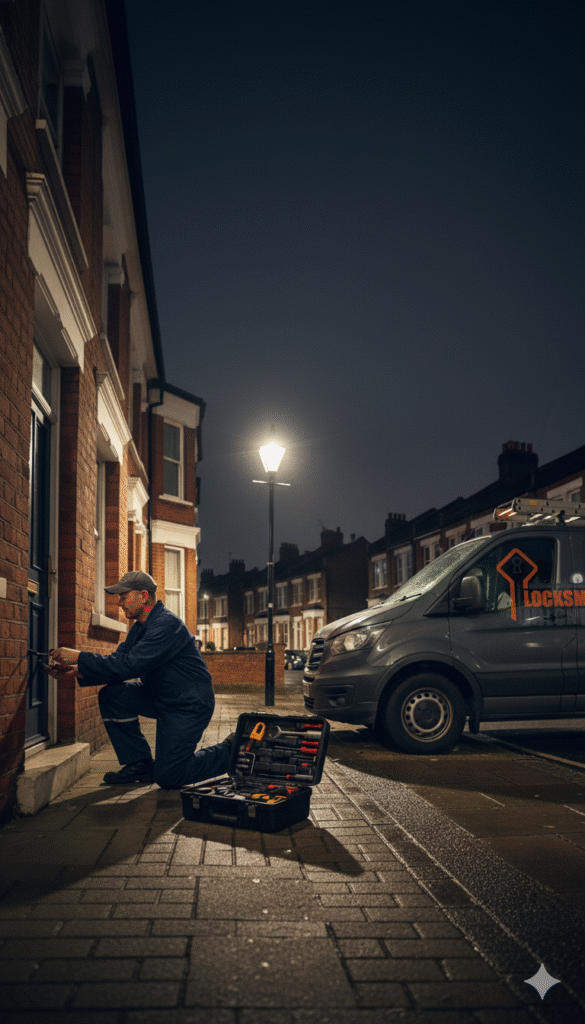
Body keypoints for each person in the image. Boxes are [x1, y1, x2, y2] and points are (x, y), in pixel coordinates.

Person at [47, 571, 233, 787]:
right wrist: (77, 670)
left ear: (144, 596)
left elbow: (129, 665)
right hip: (160, 696)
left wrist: (80, 656)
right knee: (113, 695)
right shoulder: (140, 627)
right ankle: (139, 764)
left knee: (170, 776)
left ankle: (231, 750)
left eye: (124, 597)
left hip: (187, 705)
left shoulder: (166, 625)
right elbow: (119, 659)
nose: (119, 603)